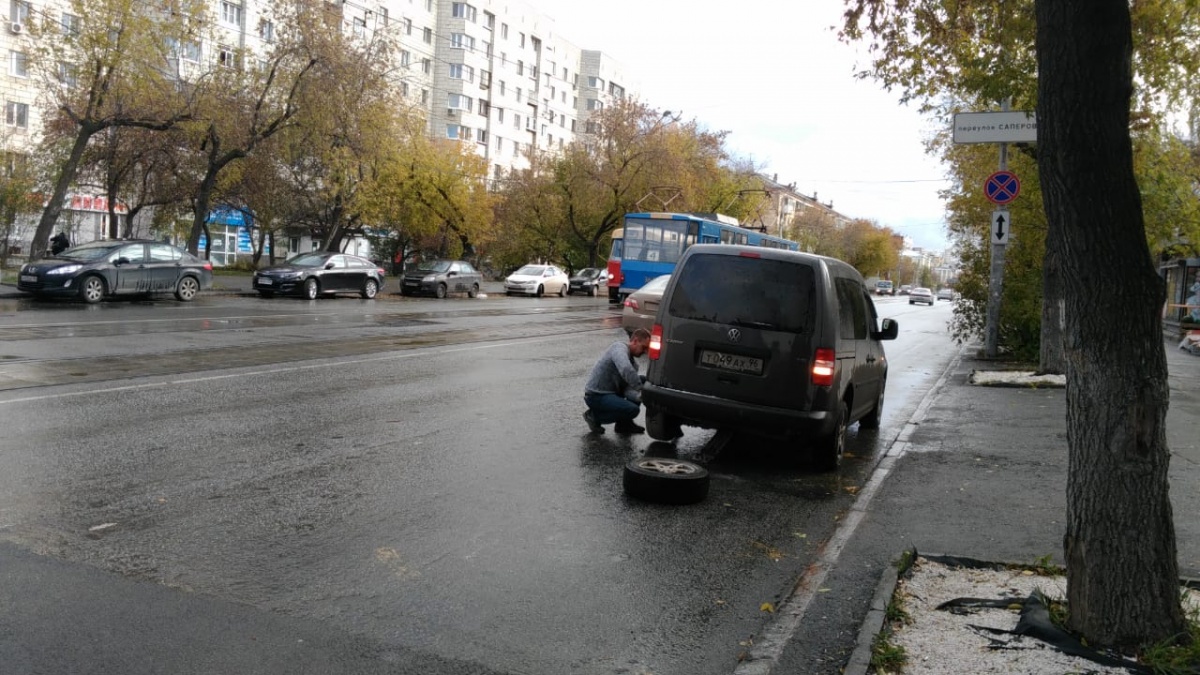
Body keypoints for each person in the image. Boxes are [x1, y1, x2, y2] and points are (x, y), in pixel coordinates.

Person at [583, 328, 651, 434]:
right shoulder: (619, 348)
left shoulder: (634, 365)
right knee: (633, 409)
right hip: (596, 396)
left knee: (642, 380)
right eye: (644, 347)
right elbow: (625, 369)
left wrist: (641, 397)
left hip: (611, 394)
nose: (645, 352)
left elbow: (628, 391)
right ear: (635, 341)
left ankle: (624, 425)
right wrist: (640, 389)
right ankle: (593, 417)